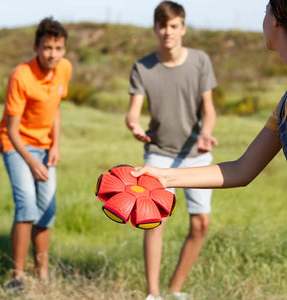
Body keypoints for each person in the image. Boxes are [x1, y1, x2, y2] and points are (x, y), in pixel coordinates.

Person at [132, 0, 287, 297]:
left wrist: (204, 134)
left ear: (276, 21)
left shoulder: (200, 61)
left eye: (264, 11)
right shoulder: (283, 106)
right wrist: (164, 177)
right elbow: (242, 170)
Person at [126, 1, 218, 299]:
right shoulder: (142, 67)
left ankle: (176, 288)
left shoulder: (201, 61)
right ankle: (153, 294)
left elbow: (209, 109)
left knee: (201, 223)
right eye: (163, 26)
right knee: (154, 220)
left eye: (174, 26)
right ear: (155, 29)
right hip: (159, 153)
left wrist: (206, 133)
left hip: (196, 153)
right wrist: (135, 126)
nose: (168, 32)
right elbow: (133, 113)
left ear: (183, 28)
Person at [0, 17, 72, 291]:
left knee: (47, 208)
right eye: (47, 48)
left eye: (58, 48)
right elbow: (11, 129)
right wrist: (31, 163)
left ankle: (42, 271)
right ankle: (17, 277)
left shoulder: (64, 68)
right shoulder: (21, 76)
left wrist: (55, 146)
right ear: (36, 47)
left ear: (64, 49)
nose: (53, 54)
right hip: (17, 144)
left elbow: (56, 109)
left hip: (45, 145)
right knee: (27, 204)